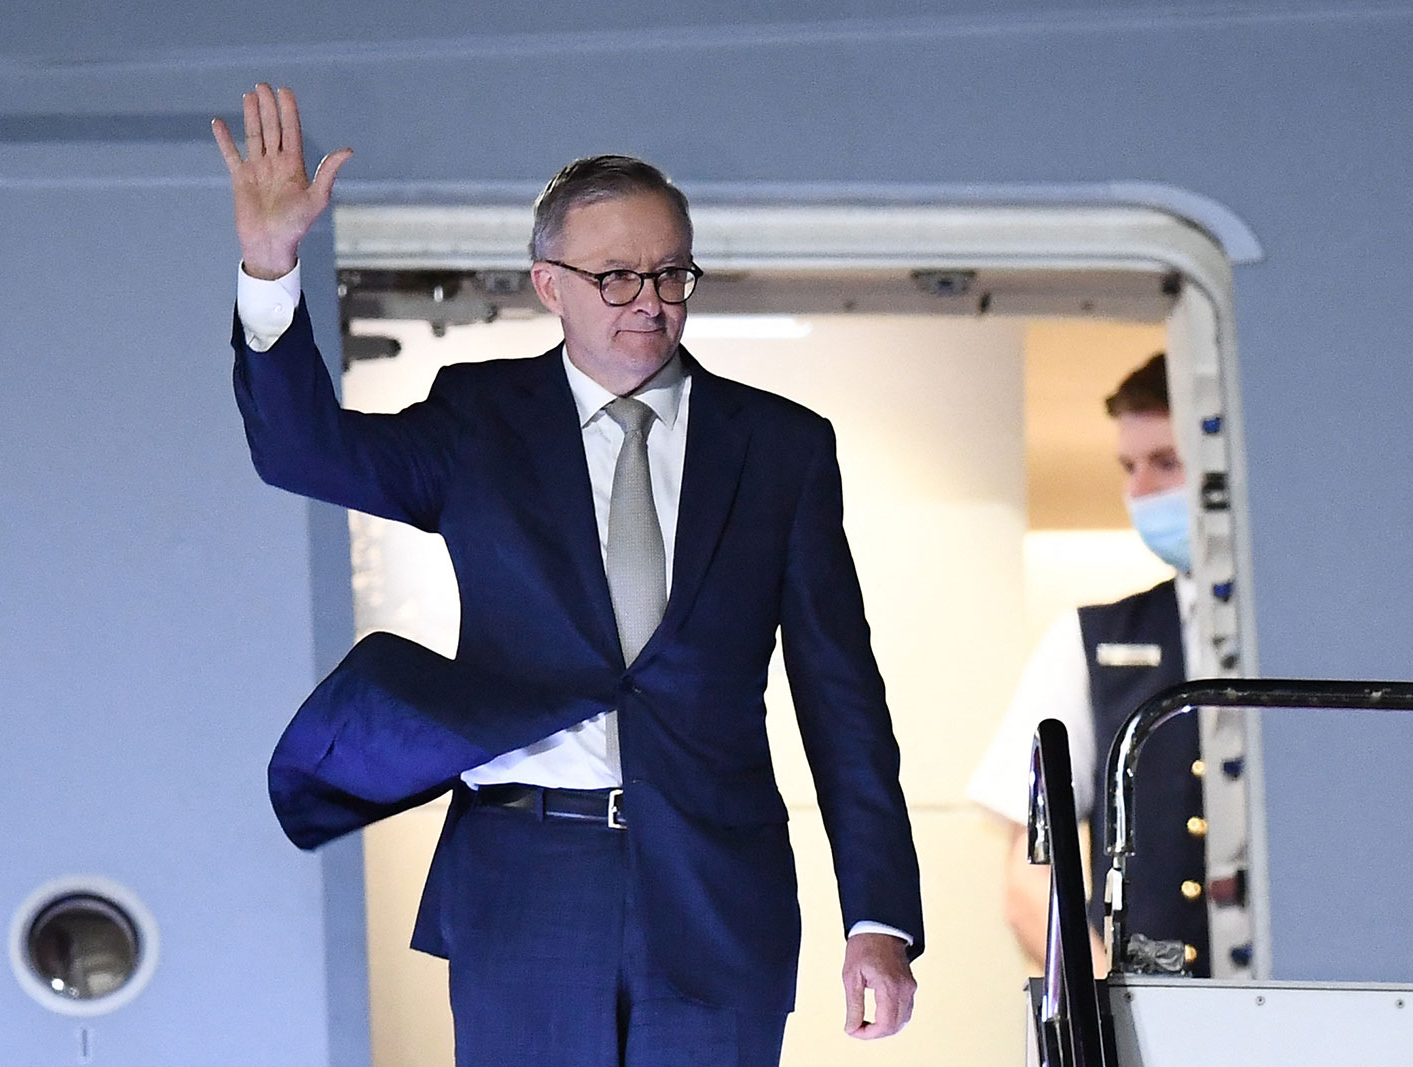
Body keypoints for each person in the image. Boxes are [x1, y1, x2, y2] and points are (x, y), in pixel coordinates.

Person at [213, 84, 922, 1066]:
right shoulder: (478, 418)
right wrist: (270, 264)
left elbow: (844, 698)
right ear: (547, 284)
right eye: (618, 277)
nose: (651, 302)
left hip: (717, 889)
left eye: (673, 275)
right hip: (525, 876)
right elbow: (301, 452)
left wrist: (877, 916)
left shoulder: (782, 447)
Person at [967, 353, 1215, 976]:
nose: (1138, 491)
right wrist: (1111, 999)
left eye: (1166, 463)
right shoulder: (1089, 641)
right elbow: (1030, 875)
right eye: (1129, 468)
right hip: (1147, 1006)